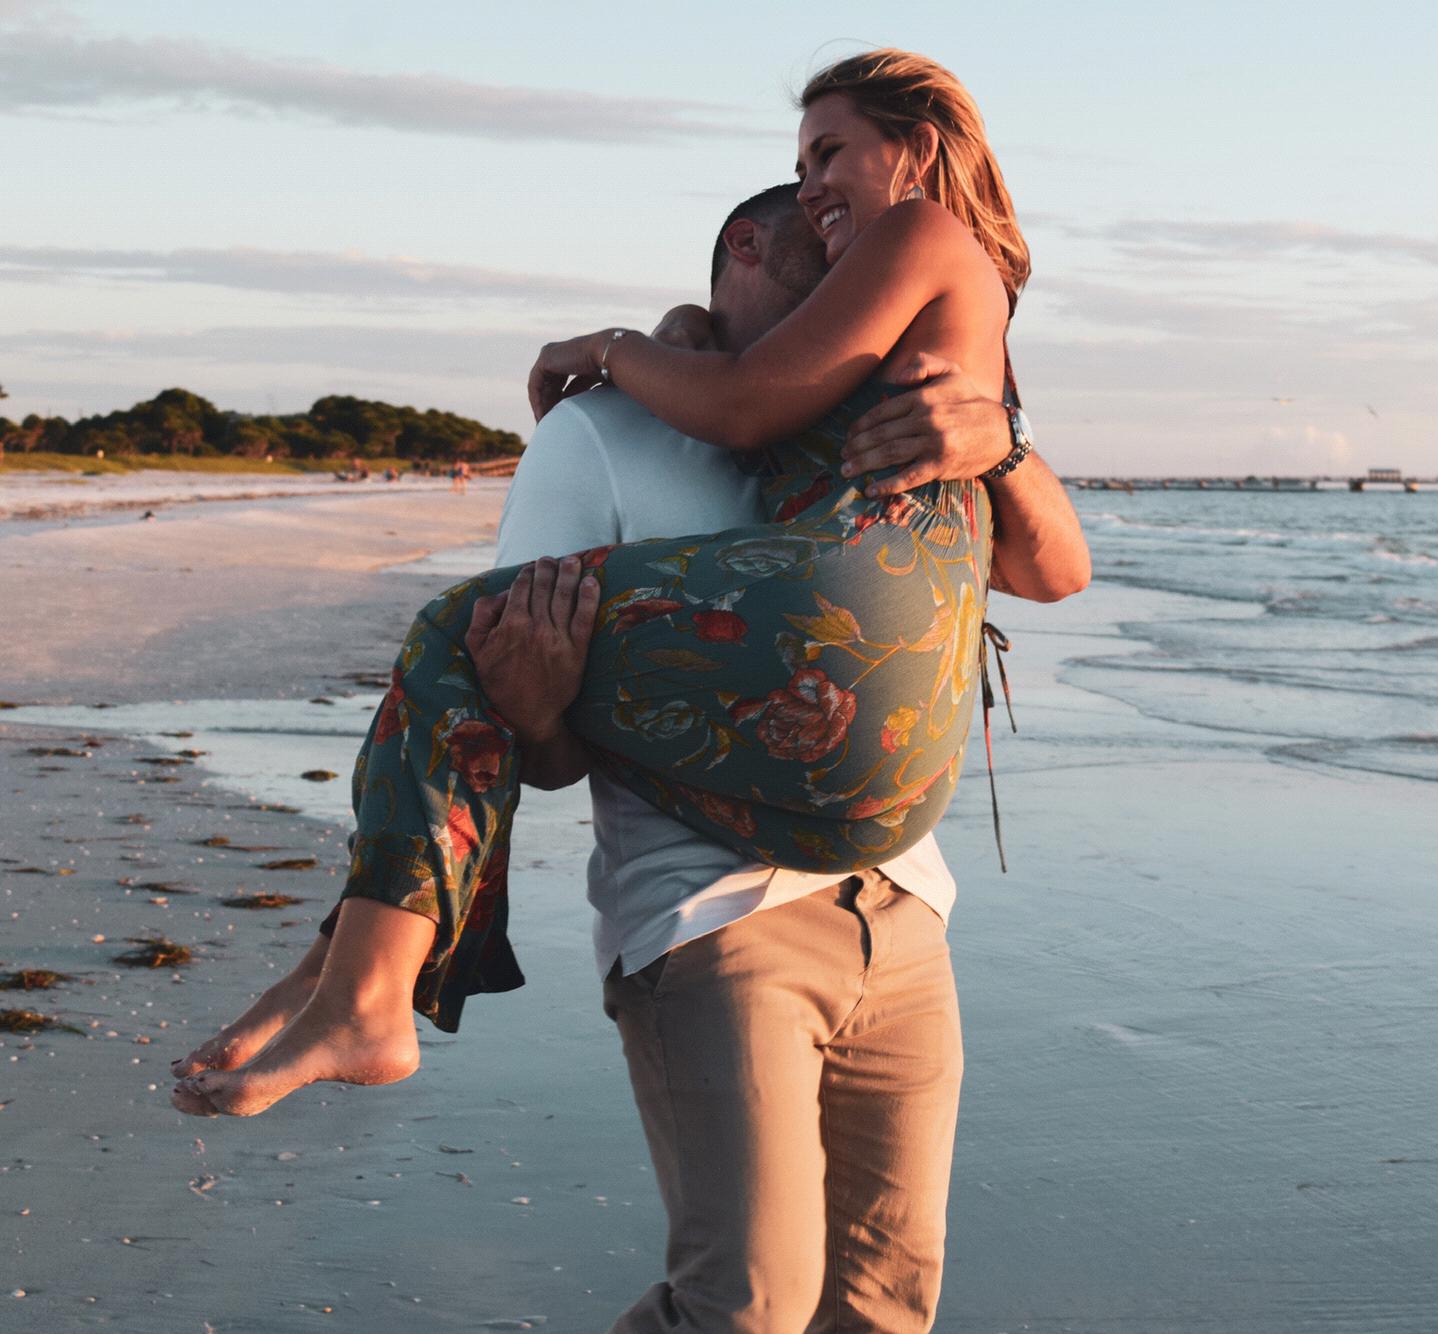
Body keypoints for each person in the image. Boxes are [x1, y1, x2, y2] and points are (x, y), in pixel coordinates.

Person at [173, 39, 1058, 1201]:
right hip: (856, 804)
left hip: (861, 721)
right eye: (799, 170)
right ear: (744, 252)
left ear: (920, 149)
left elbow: (751, 407)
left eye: (827, 153)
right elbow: (542, 744)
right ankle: (349, 967)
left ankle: (366, 987)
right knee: (770, 1289)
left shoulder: (916, 239)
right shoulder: (910, 337)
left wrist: (608, 345)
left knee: (451, 637)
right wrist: (684, 333)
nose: (810, 188)